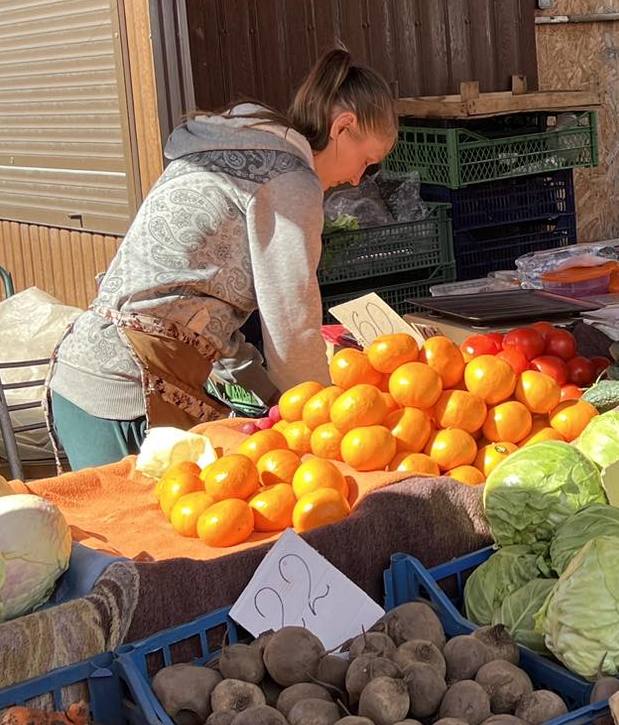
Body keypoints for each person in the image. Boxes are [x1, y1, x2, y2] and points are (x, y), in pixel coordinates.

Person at [48, 49, 398, 470]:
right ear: (343, 127)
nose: (358, 180)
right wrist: (322, 424)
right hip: (127, 392)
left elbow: (201, 307)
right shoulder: (290, 180)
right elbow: (291, 322)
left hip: (86, 375)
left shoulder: (237, 149)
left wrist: (271, 395)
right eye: (368, 162)